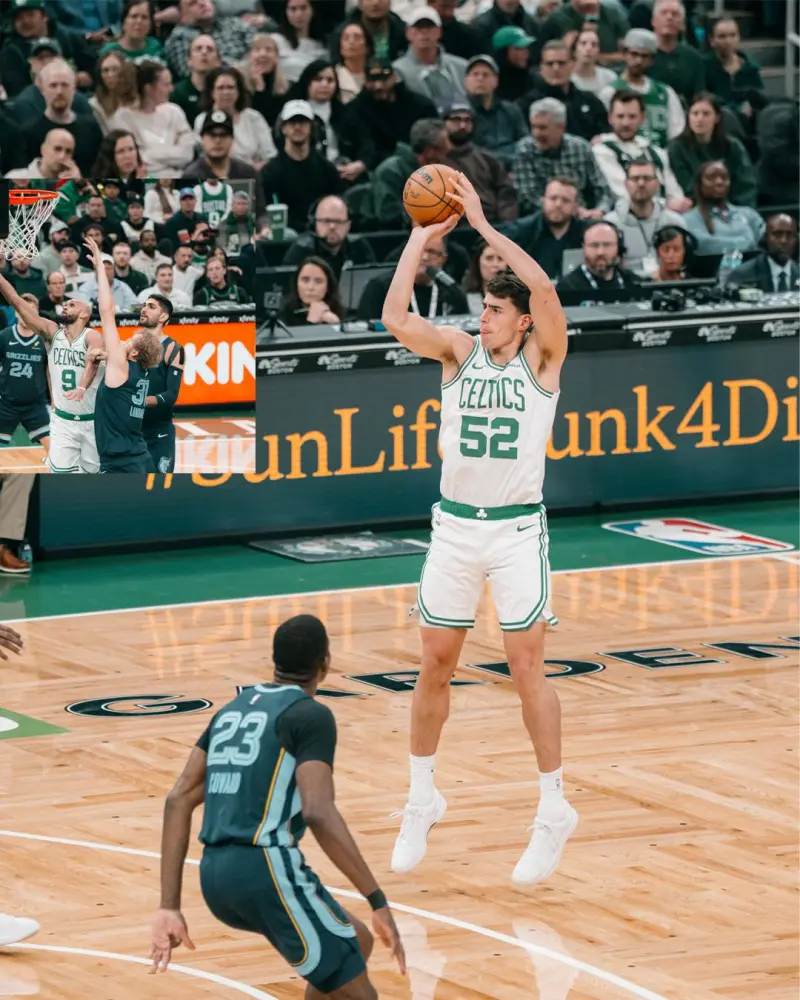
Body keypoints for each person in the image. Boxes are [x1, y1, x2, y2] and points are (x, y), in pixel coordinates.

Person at [381, 173, 575, 884]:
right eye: (484, 307)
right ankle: (420, 795)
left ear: (521, 321)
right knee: (435, 661)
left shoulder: (544, 360)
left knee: (528, 666)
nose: (484, 316)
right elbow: (395, 316)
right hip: (456, 530)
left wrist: (487, 230)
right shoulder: (458, 352)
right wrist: (416, 237)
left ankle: (553, 808)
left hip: (519, 530)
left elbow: (547, 292)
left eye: (495, 309)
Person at [150, 613, 405, 995]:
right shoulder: (310, 715)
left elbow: (178, 798)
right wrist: (376, 897)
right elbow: (319, 810)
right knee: (357, 991)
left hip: (215, 875)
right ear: (326, 664)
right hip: (263, 869)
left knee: (356, 942)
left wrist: (169, 906)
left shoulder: (232, 710)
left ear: (274, 662)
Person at [0, 272, 103, 474]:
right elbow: (16, 302)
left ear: (84, 314)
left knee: (92, 479)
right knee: (60, 478)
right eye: (66, 304)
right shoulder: (52, 333)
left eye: (72, 304)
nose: (66, 305)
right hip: (62, 421)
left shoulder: (92, 336)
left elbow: (93, 361)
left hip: (91, 420)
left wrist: (82, 386)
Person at [84, 236, 162, 474]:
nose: (125, 340)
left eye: (130, 340)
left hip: (121, 462)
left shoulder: (122, 365)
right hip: (140, 455)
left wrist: (100, 267)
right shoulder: (142, 372)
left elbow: (106, 312)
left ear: (135, 353)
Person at [513, 97, 613, 217]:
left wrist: (600, 210)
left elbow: (602, 188)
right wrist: (566, 211)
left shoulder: (580, 148)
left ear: (561, 127)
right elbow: (527, 197)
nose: (536, 134)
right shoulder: (524, 149)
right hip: (542, 218)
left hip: (583, 216)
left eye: (543, 128)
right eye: (533, 127)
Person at [339, 57, 439, 176]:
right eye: (373, 80)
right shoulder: (355, 109)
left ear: (394, 78)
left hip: (420, 165)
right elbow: (364, 143)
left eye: (384, 79)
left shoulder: (420, 105)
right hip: (375, 169)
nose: (378, 86)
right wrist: (365, 162)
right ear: (365, 82)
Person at [593, 91, 689, 208]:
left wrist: (679, 203)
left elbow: (674, 193)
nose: (625, 123)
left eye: (632, 116)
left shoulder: (657, 152)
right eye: (620, 116)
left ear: (642, 118)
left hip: (664, 217)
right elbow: (622, 195)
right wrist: (667, 205)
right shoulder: (602, 151)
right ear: (610, 118)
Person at [260, 100, 343, 233]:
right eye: (292, 122)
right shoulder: (270, 172)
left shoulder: (327, 169)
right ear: (283, 128)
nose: (298, 127)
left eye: (303, 122)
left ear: (311, 127)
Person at [668, 93, 757, 210]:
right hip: (695, 211)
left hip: (733, 210)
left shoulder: (732, 146)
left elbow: (745, 185)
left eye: (706, 114)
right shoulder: (676, 148)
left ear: (717, 118)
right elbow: (686, 187)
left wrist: (739, 212)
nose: (699, 119)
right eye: (695, 114)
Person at [599, 29, 684, 149]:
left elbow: (676, 133)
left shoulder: (665, 92)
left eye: (644, 56)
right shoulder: (610, 92)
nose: (638, 60)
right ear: (624, 54)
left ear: (652, 60)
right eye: (634, 54)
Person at [110, 60, 196, 177]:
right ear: (149, 89)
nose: (172, 89)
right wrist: (173, 152)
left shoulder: (174, 112)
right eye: (166, 84)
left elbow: (187, 154)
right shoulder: (123, 118)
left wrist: (149, 154)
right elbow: (132, 161)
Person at [358, 230, 468, 319]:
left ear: (443, 259)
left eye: (432, 252)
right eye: (420, 250)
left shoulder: (451, 291)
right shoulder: (381, 287)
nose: (425, 257)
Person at [604, 157, 685, 275]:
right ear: (626, 184)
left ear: (657, 184)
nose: (641, 184)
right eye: (635, 179)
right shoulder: (610, 225)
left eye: (647, 179)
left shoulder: (675, 222)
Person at [443, 102, 518, 224]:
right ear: (444, 123)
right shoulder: (434, 159)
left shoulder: (488, 159)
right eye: (456, 119)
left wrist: (506, 228)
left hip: (488, 225)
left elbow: (506, 194)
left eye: (467, 120)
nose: (463, 125)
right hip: (447, 226)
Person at [134, 293, 184, 474]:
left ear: (163, 317)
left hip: (159, 431)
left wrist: (142, 401)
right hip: (131, 429)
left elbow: (171, 395)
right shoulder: (131, 346)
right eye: (144, 305)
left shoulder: (172, 348)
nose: (144, 309)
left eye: (151, 307)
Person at [25, 59, 103, 177]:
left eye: (65, 85)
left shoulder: (91, 128)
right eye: (53, 85)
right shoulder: (29, 132)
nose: (59, 91)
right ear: (42, 90)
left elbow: (100, 172)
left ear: (74, 89)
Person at [500, 175, 585, 280]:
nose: (558, 204)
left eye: (565, 200)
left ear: (576, 206)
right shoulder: (521, 230)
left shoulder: (586, 233)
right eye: (553, 198)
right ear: (543, 200)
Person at [371, 117, 452, 229]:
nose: (449, 149)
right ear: (429, 151)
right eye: (444, 151)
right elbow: (387, 214)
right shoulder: (390, 171)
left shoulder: (435, 173)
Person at [521, 40, 608, 142]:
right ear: (541, 68)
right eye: (550, 64)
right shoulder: (527, 104)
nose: (556, 68)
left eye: (561, 63)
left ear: (572, 65)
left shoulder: (590, 101)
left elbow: (606, 133)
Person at [193, 65, 276, 168]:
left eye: (230, 87)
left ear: (238, 91)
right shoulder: (201, 120)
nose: (226, 92)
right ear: (212, 92)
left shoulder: (253, 117)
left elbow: (270, 156)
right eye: (221, 88)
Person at [0, 287, 50, 456]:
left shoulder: (44, 340)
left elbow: (50, 372)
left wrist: (55, 400)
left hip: (35, 405)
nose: (26, 314)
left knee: (54, 449)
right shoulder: (4, 336)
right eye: (22, 309)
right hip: (6, 403)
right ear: (15, 312)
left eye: (30, 310)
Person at [392, 7, 468, 108]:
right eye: (418, 27)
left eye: (429, 27)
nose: (424, 32)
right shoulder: (396, 71)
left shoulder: (462, 67)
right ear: (408, 33)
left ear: (439, 31)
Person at [283, 196, 376, 278]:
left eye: (338, 221)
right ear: (315, 223)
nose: (332, 226)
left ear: (348, 225)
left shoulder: (358, 246)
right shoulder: (302, 250)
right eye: (326, 221)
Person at [464, 54, 527, 172]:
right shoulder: (460, 114)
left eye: (486, 75)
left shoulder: (511, 110)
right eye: (475, 74)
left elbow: (525, 143)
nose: (480, 78)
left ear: (496, 81)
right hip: (476, 170)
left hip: (513, 169)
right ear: (466, 81)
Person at [165, 0, 255, 80]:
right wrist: (235, 70)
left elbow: (257, 48)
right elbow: (190, 75)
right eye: (193, 3)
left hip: (252, 77)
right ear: (182, 16)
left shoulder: (234, 24)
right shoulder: (179, 38)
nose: (202, 3)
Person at [704, 16, 765, 130]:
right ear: (712, 41)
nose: (728, 41)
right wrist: (736, 108)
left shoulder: (750, 68)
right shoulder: (704, 66)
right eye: (722, 36)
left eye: (733, 35)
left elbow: (760, 100)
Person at [557, 220, 640, 294]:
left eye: (607, 245)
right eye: (594, 245)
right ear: (583, 247)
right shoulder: (567, 287)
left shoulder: (633, 282)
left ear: (618, 247)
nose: (600, 252)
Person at [649, 0, 705, 105]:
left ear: (683, 24)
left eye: (675, 14)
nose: (669, 18)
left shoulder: (694, 59)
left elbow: (699, 96)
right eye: (663, 13)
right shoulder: (643, 56)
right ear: (653, 21)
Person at [727, 214, 799, 293]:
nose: (784, 241)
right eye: (778, 234)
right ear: (765, 238)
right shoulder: (742, 275)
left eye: (789, 235)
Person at [538, 0, 628, 62]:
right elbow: (551, 59)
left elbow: (627, 56)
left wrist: (596, 57)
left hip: (613, 71)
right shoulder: (557, 20)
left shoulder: (613, 14)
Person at [169, 33, 221, 125]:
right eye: (198, 49)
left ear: (218, 61)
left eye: (210, 49)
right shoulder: (176, 93)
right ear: (189, 60)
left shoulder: (225, 92)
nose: (204, 52)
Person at [239, 32, 289, 127]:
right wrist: (259, 88)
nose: (263, 54)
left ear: (276, 56)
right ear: (250, 56)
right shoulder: (240, 85)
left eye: (268, 50)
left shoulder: (286, 88)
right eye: (257, 50)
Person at [281, 257, 344, 326]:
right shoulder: (283, 313)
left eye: (318, 281)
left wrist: (337, 325)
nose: (310, 287)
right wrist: (311, 321)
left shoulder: (340, 310)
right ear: (296, 284)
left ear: (328, 287)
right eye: (305, 280)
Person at [88, 50, 139, 134]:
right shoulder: (95, 105)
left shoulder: (137, 99)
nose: (110, 75)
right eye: (105, 70)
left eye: (115, 69)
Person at [6, 127, 81, 182]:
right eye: (57, 149)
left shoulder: (71, 182)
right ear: (43, 149)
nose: (62, 156)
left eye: (68, 151)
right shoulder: (15, 177)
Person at [100, 0, 165, 61]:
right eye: (134, 16)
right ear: (124, 22)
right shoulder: (109, 50)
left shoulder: (155, 47)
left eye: (144, 17)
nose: (139, 21)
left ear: (151, 24)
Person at [74, 253, 140, 312]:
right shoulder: (85, 288)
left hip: (121, 323)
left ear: (114, 270)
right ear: (95, 270)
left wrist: (120, 311)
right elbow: (81, 308)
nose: (105, 272)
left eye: (108, 268)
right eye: (102, 268)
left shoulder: (122, 286)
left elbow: (136, 305)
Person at [492, 25, 537, 103]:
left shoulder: (531, 79)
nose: (525, 53)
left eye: (526, 47)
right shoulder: (491, 82)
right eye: (519, 48)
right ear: (503, 52)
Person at [463, 240, 508, 313]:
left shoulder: (518, 295)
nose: (495, 264)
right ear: (478, 262)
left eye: (500, 259)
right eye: (489, 258)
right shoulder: (463, 296)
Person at [570, 27, 617, 96]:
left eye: (594, 45)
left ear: (599, 51)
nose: (589, 48)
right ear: (574, 50)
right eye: (583, 43)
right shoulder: (567, 79)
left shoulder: (610, 77)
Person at [336, 22, 370, 103]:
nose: (351, 42)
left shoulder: (374, 76)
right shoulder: (334, 76)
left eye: (357, 37)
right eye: (346, 38)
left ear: (367, 47)